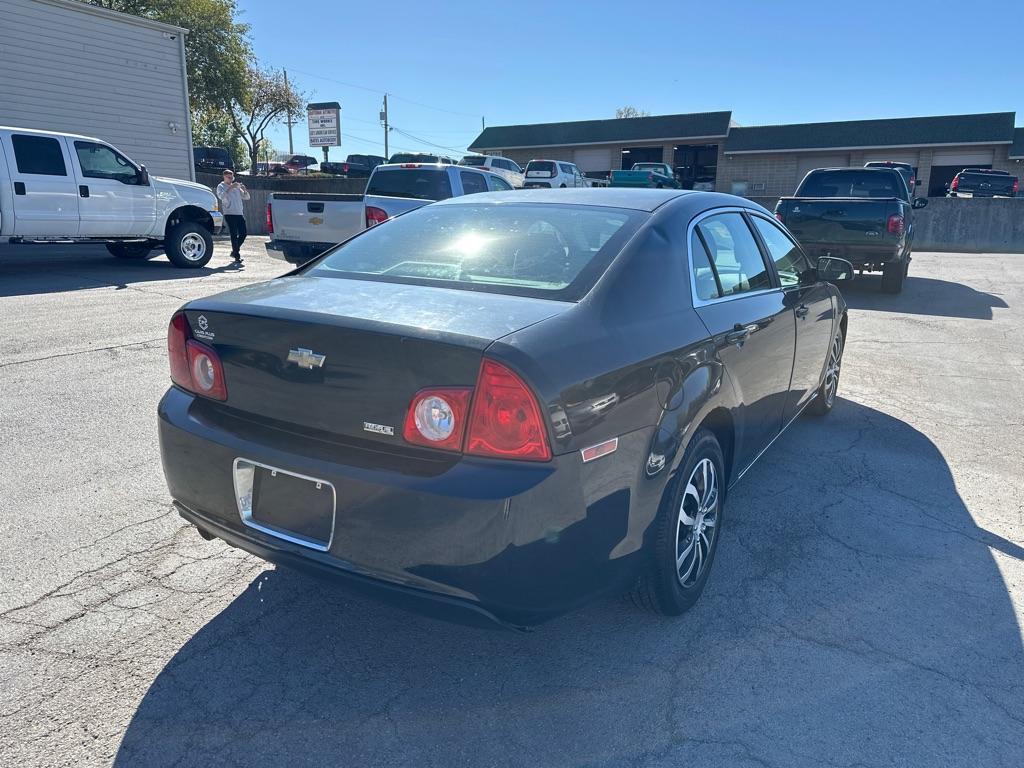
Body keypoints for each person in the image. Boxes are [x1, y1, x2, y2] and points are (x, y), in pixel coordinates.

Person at [216, 169, 250, 262]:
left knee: (243, 233)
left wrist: (244, 189)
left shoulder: (236, 187)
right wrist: (230, 188)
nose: (231, 179)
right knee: (234, 234)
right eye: (229, 177)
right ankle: (236, 255)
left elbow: (247, 197)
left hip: (239, 213)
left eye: (232, 177)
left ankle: (234, 251)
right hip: (229, 213)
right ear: (224, 177)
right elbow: (221, 196)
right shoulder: (221, 186)